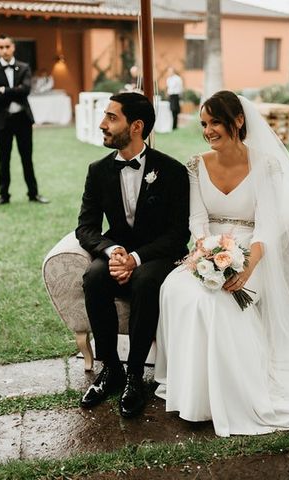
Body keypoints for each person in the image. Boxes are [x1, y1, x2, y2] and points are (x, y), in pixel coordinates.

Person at [154, 91, 289, 437]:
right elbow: (197, 219)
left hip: (252, 257)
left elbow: (268, 224)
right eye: (203, 124)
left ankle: (231, 393)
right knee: (176, 289)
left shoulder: (266, 166)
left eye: (214, 122)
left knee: (218, 302)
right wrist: (204, 252)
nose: (208, 130)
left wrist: (247, 266)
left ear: (237, 121)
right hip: (206, 253)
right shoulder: (196, 165)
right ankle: (193, 392)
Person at [76, 92, 189, 418]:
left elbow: (178, 235)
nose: (102, 124)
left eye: (111, 117)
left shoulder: (172, 171)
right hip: (117, 253)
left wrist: (135, 259)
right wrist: (112, 251)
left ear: (136, 126)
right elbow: (85, 228)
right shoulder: (97, 171)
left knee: (145, 281)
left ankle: (136, 375)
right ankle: (111, 369)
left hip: (156, 257)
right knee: (94, 276)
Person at [0, 34, 49, 207]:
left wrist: (4, 90)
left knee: (27, 158)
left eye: (7, 46)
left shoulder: (24, 67)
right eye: (1, 47)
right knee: (3, 160)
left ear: (13, 47)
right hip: (2, 122)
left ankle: (33, 194)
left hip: (23, 120)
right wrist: (15, 90)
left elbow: (26, 90)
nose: (4, 50)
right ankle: (3, 195)